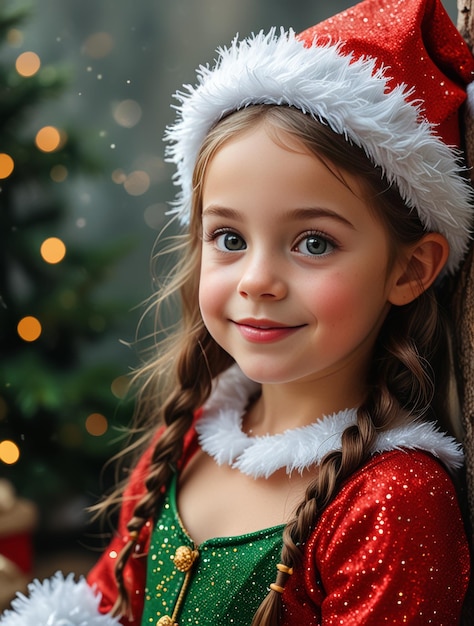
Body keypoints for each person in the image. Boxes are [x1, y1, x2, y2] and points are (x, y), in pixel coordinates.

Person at [1, 0, 473, 624]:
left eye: (313, 243)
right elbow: (104, 605)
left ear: (410, 269)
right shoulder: (185, 444)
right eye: (229, 238)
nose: (257, 281)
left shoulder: (392, 501)